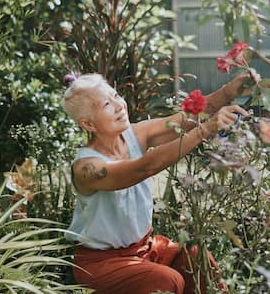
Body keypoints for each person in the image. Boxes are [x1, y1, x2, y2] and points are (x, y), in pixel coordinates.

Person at [61, 73, 250, 294]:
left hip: (146, 248)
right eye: (106, 104)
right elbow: (143, 168)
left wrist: (230, 91)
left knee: (198, 258)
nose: (119, 105)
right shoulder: (86, 168)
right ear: (88, 124)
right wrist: (206, 130)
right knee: (166, 282)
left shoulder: (135, 134)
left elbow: (187, 118)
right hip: (101, 263)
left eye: (115, 96)